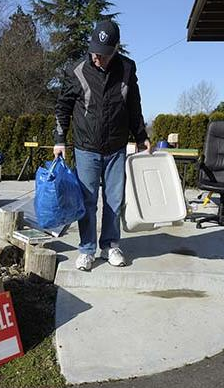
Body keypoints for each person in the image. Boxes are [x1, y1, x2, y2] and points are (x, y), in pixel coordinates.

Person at [53, 20, 151, 271]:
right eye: (95, 52)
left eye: (103, 54)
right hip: (86, 147)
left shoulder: (128, 69)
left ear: (116, 49)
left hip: (116, 147)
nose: (97, 58)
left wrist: (141, 137)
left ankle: (110, 246)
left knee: (114, 200)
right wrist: (59, 139)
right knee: (87, 201)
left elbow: (133, 107)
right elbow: (63, 107)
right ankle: (87, 249)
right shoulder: (76, 70)